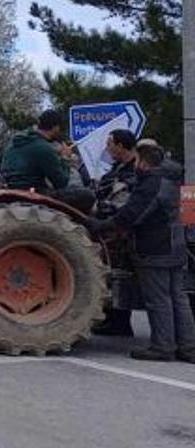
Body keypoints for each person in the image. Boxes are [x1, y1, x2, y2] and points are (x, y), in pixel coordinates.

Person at [88, 144, 195, 362]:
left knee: (158, 299)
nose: (134, 165)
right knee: (178, 297)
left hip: (154, 248)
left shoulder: (151, 183)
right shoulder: (173, 179)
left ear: (144, 162)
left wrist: (102, 225)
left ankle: (163, 346)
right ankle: (188, 347)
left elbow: (134, 214)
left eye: (136, 160)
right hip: (176, 244)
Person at [92, 129, 139, 337]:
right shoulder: (117, 169)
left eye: (110, 143)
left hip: (125, 231)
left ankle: (120, 322)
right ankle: (115, 321)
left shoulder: (135, 171)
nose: (107, 148)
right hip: (112, 227)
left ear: (121, 146)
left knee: (123, 271)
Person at [0, 110, 73, 192]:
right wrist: (65, 158)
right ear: (55, 127)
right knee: (84, 195)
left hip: (10, 189)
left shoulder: (13, 143)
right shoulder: (44, 148)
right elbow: (60, 183)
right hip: (34, 191)